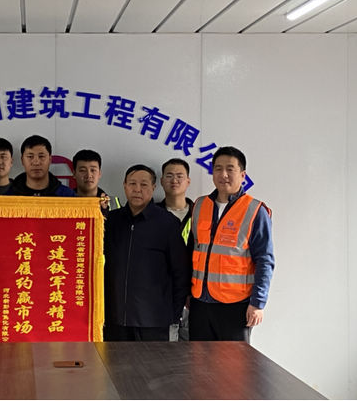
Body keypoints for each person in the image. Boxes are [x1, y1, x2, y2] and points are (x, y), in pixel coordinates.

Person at [189, 146, 274, 343]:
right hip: (200, 302)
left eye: (230, 169)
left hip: (236, 306)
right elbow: (192, 250)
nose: (223, 174)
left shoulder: (255, 210)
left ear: (242, 175)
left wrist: (258, 303)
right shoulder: (200, 205)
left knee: (233, 361)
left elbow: (265, 260)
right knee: (198, 359)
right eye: (218, 169)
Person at [103, 164, 191, 341]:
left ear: (153, 187)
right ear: (124, 186)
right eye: (132, 184)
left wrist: (173, 314)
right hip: (115, 320)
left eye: (143, 185)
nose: (137, 189)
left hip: (154, 322)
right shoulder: (111, 221)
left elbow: (181, 273)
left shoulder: (167, 223)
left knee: (154, 361)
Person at [157, 158, 194, 341]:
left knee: (193, 351)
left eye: (180, 176)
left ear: (188, 181)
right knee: (166, 351)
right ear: (161, 181)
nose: (174, 180)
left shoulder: (200, 214)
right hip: (162, 297)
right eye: (169, 176)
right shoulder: (152, 214)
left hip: (194, 297)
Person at [8, 135, 75, 196]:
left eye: (41, 156)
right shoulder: (9, 196)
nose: (36, 162)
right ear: (22, 160)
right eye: (30, 156)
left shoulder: (67, 195)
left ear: (50, 160)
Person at [72, 149, 113, 216]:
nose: (88, 175)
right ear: (74, 173)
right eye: (82, 170)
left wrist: (104, 211)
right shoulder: (63, 201)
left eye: (93, 170)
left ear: (99, 173)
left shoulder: (113, 204)